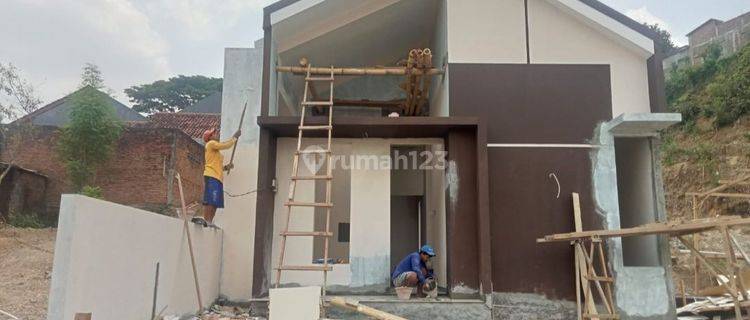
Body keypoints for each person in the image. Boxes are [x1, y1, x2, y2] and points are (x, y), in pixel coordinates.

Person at [191, 128, 241, 227]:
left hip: (217, 177)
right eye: (213, 134)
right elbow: (225, 145)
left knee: (215, 201)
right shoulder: (211, 144)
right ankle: (206, 220)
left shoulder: (216, 152)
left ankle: (210, 221)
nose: (215, 135)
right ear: (209, 137)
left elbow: (217, 166)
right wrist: (235, 137)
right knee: (210, 199)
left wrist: (226, 167)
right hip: (211, 176)